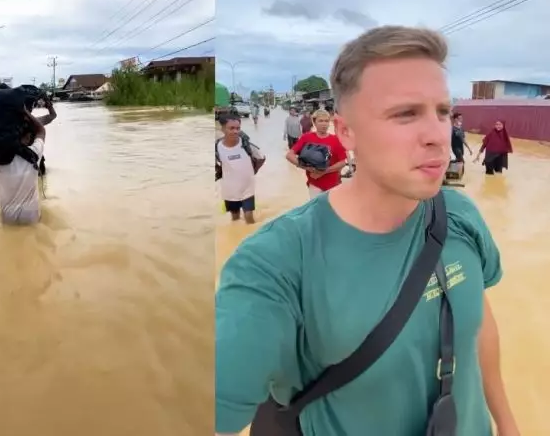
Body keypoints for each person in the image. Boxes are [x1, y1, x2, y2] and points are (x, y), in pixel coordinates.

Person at [216, 26, 517, 436]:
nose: (437, 136)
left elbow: (478, 323)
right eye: (405, 114)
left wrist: (507, 423)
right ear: (346, 132)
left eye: (443, 112)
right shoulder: (276, 263)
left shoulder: (460, 214)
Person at [0, 110, 46, 224]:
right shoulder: (35, 153)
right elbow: (41, 130)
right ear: (28, 137)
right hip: (31, 215)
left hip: (8, 216)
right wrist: (24, 110)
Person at [286, 108, 348, 198]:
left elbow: (342, 162)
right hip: (314, 184)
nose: (324, 124)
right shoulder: (306, 137)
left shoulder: (336, 140)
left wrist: (324, 171)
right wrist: (307, 167)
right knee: (316, 205)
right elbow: (289, 155)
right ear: (314, 122)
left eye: (326, 121)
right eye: (321, 121)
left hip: (333, 185)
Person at [216, 114, 265, 224]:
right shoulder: (217, 147)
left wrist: (252, 172)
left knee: (249, 217)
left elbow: (261, 158)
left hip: (247, 189)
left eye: (238, 128)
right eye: (231, 128)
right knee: (235, 218)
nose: (235, 131)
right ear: (222, 129)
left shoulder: (246, 145)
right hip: (230, 190)